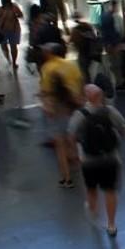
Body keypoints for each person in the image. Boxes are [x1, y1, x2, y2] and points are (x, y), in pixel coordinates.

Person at [70, 84, 125, 236]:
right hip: (110, 158)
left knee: (91, 190)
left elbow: (72, 134)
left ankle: (94, 214)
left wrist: (75, 153)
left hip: (89, 160)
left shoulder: (80, 114)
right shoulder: (110, 111)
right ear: (101, 96)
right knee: (110, 191)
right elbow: (123, 129)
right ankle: (111, 224)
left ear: (86, 97)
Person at [39, 42, 83, 188]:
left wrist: (47, 107)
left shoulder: (47, 68)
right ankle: (77, 163)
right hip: (74, 106)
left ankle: (66, 178)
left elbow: (46, 92)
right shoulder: (72, 65)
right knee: (73, 137)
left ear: (51, 53)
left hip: (58, 109)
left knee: (60, 145)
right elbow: (80, 82)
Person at [0, 0, 23, 71]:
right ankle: (13, 62)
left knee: (5, 46)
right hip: (14, 29)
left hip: (3, 30)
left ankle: (9, 59)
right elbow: (21, 15)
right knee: (13, 47)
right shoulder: (14, 8)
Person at [98, 0, 123, 89]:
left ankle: (117, 82)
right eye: (117, 7)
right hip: (112, 45)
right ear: (113, 6)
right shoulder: (109, 17)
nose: (117, 9)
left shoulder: (105, 16)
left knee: (113, 64)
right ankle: (118, 83)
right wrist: (115, 44)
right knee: (115, 64)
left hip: (109, 44)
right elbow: (110, 33)